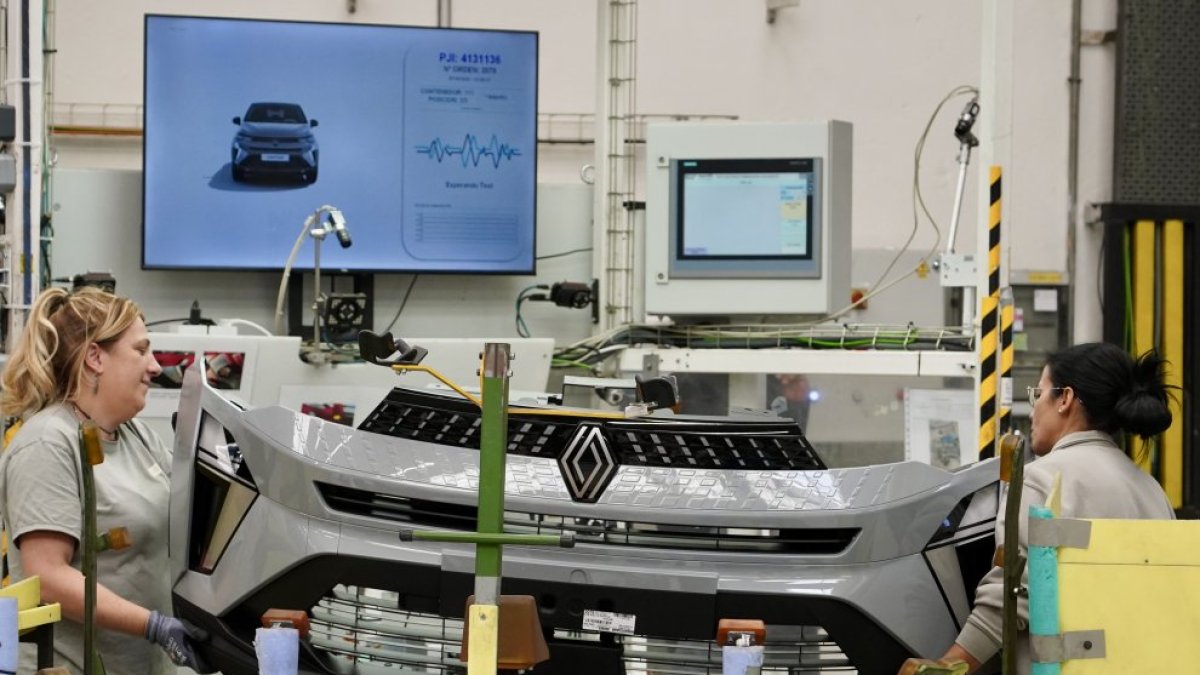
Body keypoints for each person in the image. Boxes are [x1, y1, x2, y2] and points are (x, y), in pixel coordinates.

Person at [899, 342, 1175, 674]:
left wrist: (949, 665)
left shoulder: (1040, 479)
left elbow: (1013, 594)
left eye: (1038, 394)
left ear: (1065, 399)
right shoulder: (1152, 491)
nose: (1032, 411)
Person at [0, 287, 212, 673]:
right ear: (95, 357)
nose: (154, 367)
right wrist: (153, 626)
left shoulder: (138, 437)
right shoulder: (48, 442)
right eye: (141, 350)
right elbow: (45, 575)